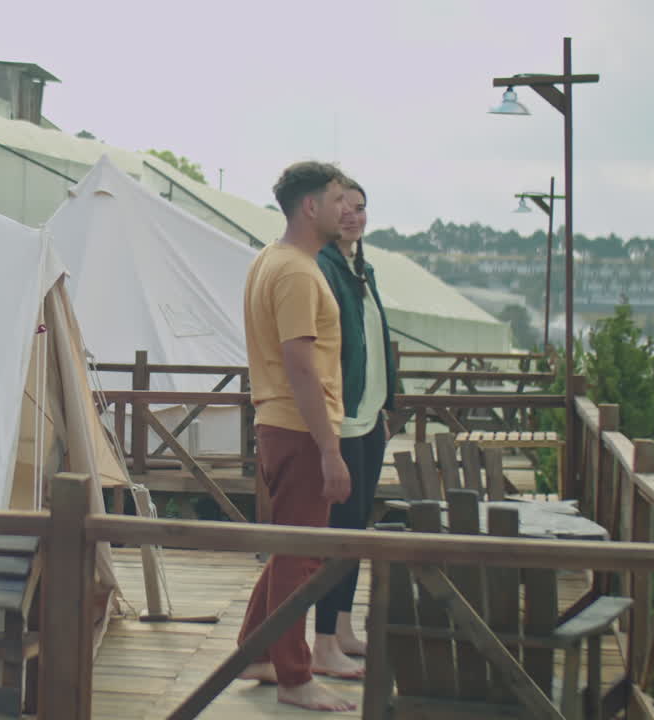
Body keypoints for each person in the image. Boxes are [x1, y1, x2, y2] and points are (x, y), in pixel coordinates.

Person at [236, 161, 356, 712]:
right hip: (300, 427)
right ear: (310, 207)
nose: (344, 209)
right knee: (303, 555)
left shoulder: (271, 259)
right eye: (336, 199)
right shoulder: (298, 272)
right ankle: (294, 676)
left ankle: (256, 651)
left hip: (280, 423)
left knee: (290, 546)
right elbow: (300, 363)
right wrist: (330, 448)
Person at [310, 179, 397, 677]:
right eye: (342, 206)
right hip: (341, 422)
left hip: (369, 419)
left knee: (356, 526)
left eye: (360, 208)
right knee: (338, 533)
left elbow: (374, 339)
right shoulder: (322, 269)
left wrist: (385, 403)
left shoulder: (362, 269)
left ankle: (341, 628)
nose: (352, 215)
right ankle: (322, 642)